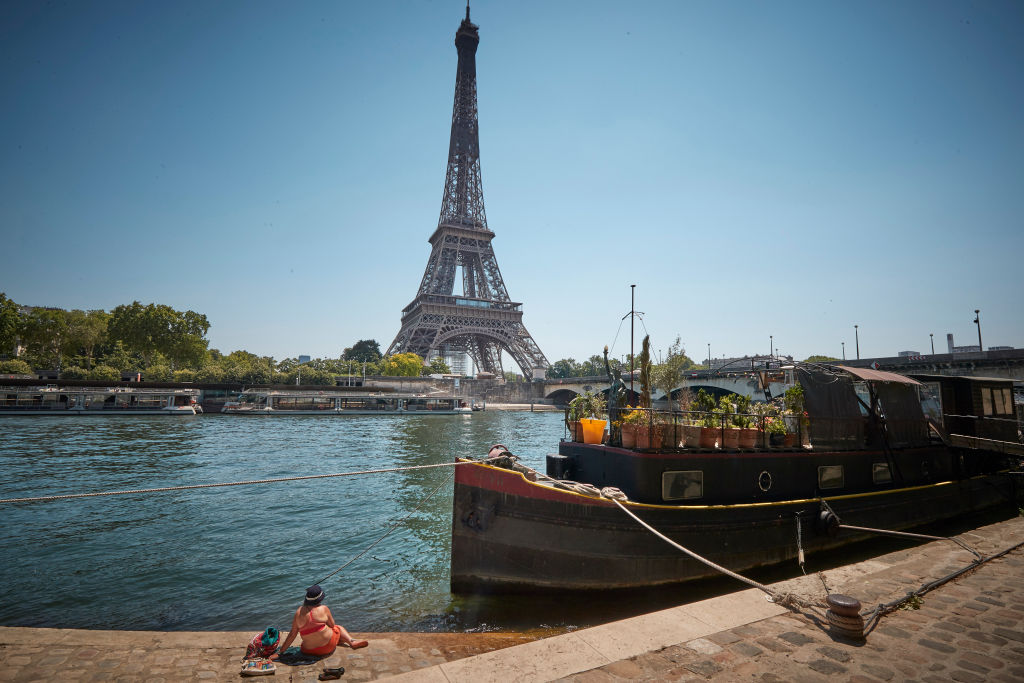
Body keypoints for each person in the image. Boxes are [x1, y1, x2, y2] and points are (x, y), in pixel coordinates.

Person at [272, 585, 368, 658]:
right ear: (320, 599)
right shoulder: (324, 609)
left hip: (308, 651)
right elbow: (332, 625)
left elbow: (292, 635)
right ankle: (351, 641)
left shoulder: (298, 613)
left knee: (317, 632)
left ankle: (341, 640)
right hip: (328, 647)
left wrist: (280, 652)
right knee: (338, 628)